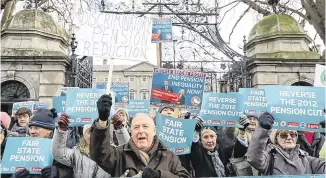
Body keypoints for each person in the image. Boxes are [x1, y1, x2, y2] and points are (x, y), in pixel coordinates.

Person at [90, 94, 191, 177]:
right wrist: (102, 120)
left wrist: (159, 175)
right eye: (136, 127)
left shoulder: (169, 157)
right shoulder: (120, 154)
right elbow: (99, 154)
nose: (140, 131)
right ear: (131, 131)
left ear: (154, 130)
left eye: (145, 126)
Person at [246, 112, 325, 175]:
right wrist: (262, 129)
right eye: (283, 135)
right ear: (276, 139)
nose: (289, 137)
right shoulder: (269, 158)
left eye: (293, 134)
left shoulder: (307, 159)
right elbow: (254, 157)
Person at [9, 108, 73, 178]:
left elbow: (77, 172)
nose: (32, 132)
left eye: (36, 128)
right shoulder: (20, 148)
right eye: (31, 128)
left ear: (49, 131)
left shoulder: (61, 148)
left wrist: (59, 173)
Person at [52, 113, 118, 178]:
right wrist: (61, 131)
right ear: (84, 135)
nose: (93, 135)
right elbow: (58, 153)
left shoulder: (113, 153)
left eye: (97, 131)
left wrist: (120, 129)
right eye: (90, 131)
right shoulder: (77, 153)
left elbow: (127, 156)